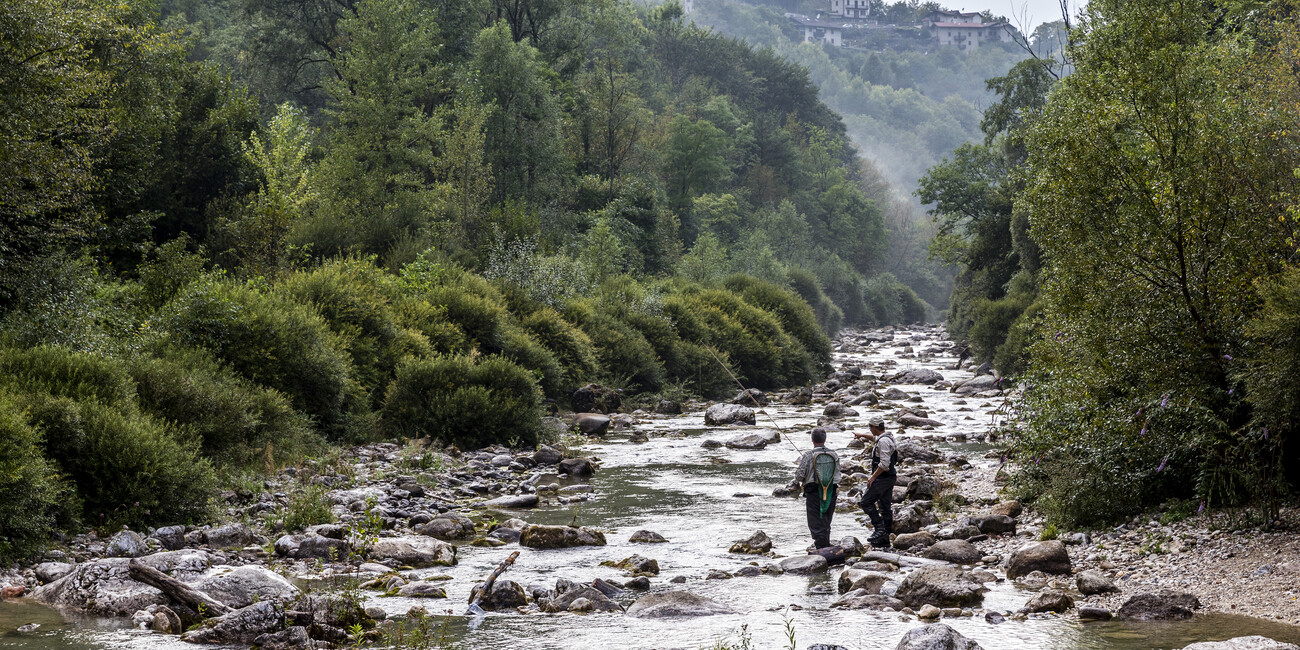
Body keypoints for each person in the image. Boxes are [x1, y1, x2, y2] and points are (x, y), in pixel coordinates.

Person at [792, 427, 840, 549]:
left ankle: (821, 548)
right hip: (831, 491)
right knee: (826, 519)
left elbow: (799, 476)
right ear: (825, 439)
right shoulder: (834, 454)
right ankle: (826, 545)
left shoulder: (808, 455)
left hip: (813, 492)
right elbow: (838, 476)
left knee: (815, 521)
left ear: (812, 439)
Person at [853, 417, 897, 548]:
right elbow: (874, 438)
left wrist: (872, 477)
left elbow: (884, 464)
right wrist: (862, 435)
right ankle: (885, 539)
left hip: (882, 478)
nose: (869, 429)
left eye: (869, 427)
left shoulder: (883, 442)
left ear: (874, 427)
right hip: (889, 477)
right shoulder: (887, 437)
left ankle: (880, 529)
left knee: (865, 502)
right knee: (884, 507)